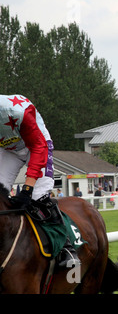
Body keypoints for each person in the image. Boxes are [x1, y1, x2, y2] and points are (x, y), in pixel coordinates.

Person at [0, 94, 80, 267]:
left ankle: (66, 247)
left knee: (37, 196)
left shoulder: (16, 112)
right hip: (9, 149)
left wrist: (27, 189)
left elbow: (38, 148)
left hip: (37, 145)